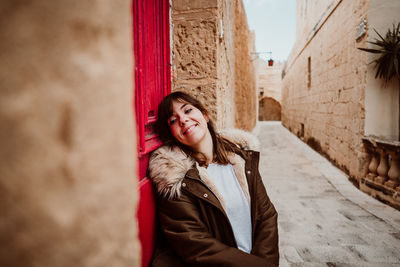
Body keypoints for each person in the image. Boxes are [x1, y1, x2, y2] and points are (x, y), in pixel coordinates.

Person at [149, 91, 279, 266]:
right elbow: (196, 245)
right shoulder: (174, 178)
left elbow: (266, 216)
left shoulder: (242, 161)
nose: (183, 120)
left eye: (187, 111)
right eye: (173, 120)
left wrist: (265, 262)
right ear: (172, 133)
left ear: (205, 115)